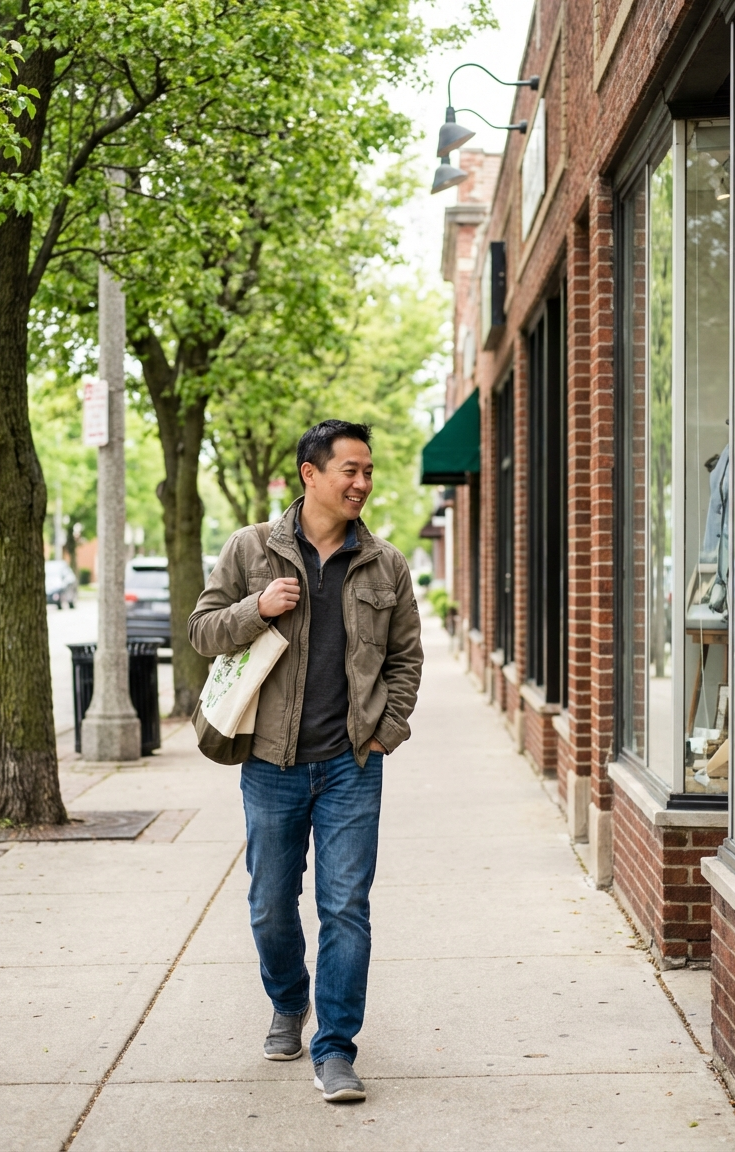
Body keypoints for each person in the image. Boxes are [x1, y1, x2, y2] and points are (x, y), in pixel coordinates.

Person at [188, 420, 423, 1102]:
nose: (362, 482)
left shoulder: (387, 565)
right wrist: (257, 609)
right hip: (270, 762)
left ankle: (336, 1048)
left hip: (353, 761)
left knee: (346, 907)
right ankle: (289, 1000)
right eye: (350, 469)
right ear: (309, 474)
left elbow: (406, 657)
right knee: (269, 905)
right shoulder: (250, 550)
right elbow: (203, 631)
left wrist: (389, 727)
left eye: (369, 471)